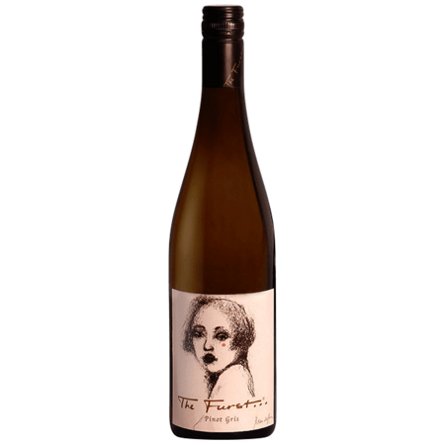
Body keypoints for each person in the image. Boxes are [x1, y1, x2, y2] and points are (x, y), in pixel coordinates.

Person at [183, 295, 256, 399]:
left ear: (240, 339)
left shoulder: (234, 378)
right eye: (199, 334)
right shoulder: (214, 380)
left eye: (221, 337)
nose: (207, 346)